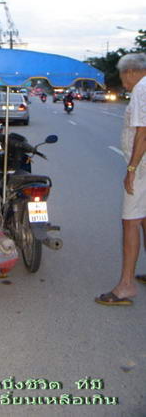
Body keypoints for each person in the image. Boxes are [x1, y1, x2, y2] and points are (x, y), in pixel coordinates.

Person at [95, 52, 146, 306]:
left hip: (143, 168)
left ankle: (126, 285)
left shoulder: (141, 89)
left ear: (130, 72)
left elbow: (143, 132)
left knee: (130, 223)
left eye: (122, 75)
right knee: (144, 218)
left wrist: (132, 169)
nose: (122, 81)